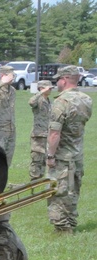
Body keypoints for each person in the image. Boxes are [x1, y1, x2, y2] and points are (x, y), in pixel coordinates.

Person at [46, 65, 93, 234]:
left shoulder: (61, 102)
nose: (57, 83)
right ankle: (71, 222)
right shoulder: (86, 99)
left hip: (62, 155)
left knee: (58, 191)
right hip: (77, 153)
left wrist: (50, 155)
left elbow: (54, 133)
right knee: (73, 190)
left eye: (58, 79)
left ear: (64, 79)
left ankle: (62, 227)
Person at [28, 80, 54, 181]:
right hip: (39, 134)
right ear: (41, 88)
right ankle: (34, 180)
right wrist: (41, 92)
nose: (50, 89)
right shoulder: (38, 99)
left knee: (45, 159)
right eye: (48, 88)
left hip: (48, 133)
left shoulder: (49, 101)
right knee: (37, 159)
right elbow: (31, 102)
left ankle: (41, 180)